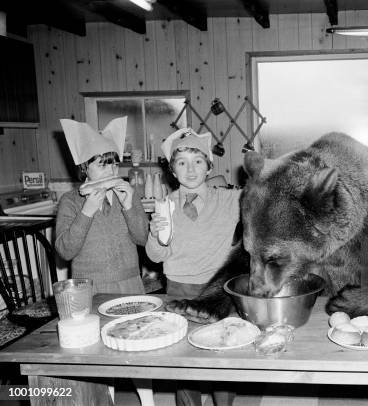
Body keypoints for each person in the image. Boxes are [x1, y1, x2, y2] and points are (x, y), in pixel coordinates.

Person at [146, 127, 241, 406]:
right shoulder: (165, 205)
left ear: (209, 166)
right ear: (172, 171)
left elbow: (262, 198)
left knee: (222, 359)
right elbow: (154, 257)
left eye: (198, 161)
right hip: (179, 290)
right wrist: (155, 234)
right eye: (182, 162)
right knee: (184, 363)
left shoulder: (229, 200)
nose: (190, 169)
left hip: (218, 291)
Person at [55, 117, 149, 294]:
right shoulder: (70, 201)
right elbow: (65, 251)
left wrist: (128, 207)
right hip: (89, 287)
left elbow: (144, 240)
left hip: (130, 282)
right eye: (102, 165)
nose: (111, 171)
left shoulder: (128, 193)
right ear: (84, 168)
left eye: (114, 165)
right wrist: (86, 212)